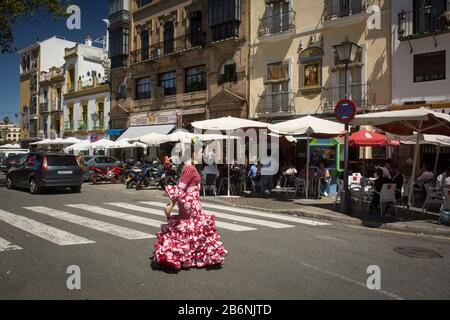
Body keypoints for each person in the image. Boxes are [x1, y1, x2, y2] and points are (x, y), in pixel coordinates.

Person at [150, 143, 228, 271]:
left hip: (190, 201)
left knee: (191, 228)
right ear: (192, 154)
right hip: (190, 203)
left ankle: (187, 256)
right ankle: (182, 256)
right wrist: (171, 205)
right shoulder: (189, 168)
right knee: (193, 227)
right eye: (200, 152)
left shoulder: (188, 168)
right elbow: (180, 188)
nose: (201, 154)